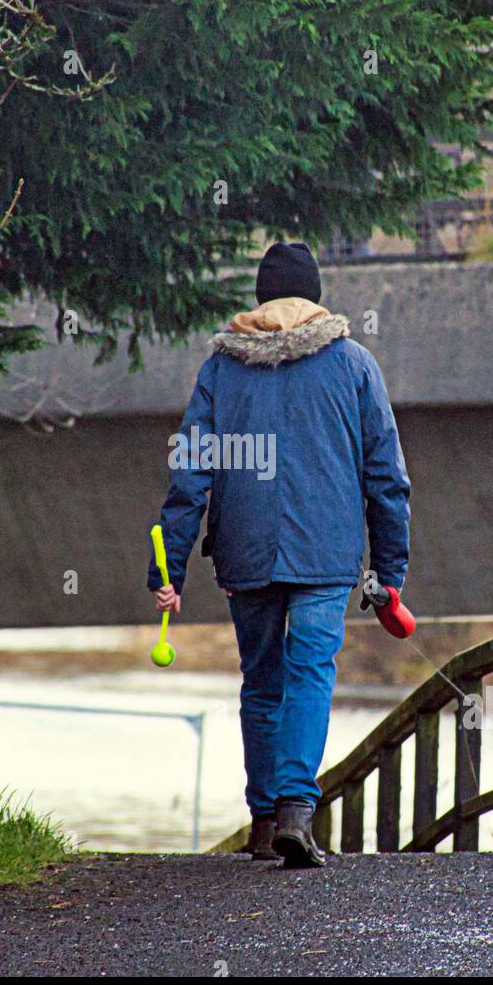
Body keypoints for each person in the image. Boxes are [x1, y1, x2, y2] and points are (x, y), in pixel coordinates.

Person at [148, 241, 411, 867]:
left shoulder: (221, 370)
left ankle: (265, 821)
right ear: (315, 297)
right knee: (310, 673)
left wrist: (169, 566)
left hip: (245, 548)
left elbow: (190, 471)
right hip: (327, 551)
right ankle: (297, 808)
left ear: (260, 300)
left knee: (261, 681)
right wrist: (389, 572)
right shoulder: (354, 366)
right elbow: (386, 476)